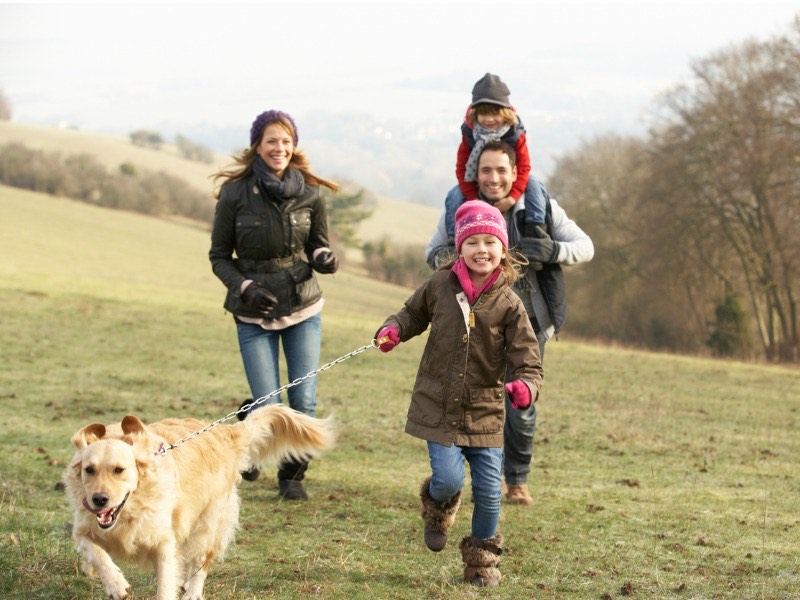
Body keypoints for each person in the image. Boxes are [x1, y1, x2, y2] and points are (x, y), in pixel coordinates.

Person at [375, 200, 544, 587]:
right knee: (448, 480)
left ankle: (481, 563)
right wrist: (393, 330)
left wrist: (525, 388)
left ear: (503, 249)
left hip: (484, 413)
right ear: (460, 247)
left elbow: (529, 364)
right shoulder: (439, 285)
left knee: (488, 492)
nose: (481, 249)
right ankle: (437, 510)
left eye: (490, 241)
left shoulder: (510, 304)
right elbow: (411, 314)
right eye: (473, 242)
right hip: (438, 406)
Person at [427, 140, 594, 507]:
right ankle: (483, 481)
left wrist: (552, 251)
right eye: (486, 170)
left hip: (530, 321)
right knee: (475, 401)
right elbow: (432, 252)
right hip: (474, 323)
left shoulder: (540, 207)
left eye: (502, 169)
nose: (493, 177)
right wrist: (458, 257)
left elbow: (585, 246)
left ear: (516, 173)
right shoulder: (459, 206)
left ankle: (517, 480)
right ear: (475, 173)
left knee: (521, 403)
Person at [209, 109, 339, 501]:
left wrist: (322, 257)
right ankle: (250, 424)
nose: (279, 147)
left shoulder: (312, 192)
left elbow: (318, 243)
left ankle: (291, 476)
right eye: (271, 140)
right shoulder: (234, 194)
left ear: (293, 145)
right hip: (252, 311)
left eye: (285, 141)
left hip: (302, 305)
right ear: (258, 146)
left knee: (304, 400)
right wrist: (244, 286)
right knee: (269, 403)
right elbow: (218, 256)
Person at [444, 73, 548, 246]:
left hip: (512, 183)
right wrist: (473, 199)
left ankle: (535, 231)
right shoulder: (470, 135)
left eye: (495, 113)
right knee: (454, 194)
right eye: (484, 114)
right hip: (478, 184)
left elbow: (523, 167)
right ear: (475, 114)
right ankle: (453, 240)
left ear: (505, 112)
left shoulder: (515, 134)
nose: (489, 119)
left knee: (535, 183)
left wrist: (512, 198)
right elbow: (462, 169)